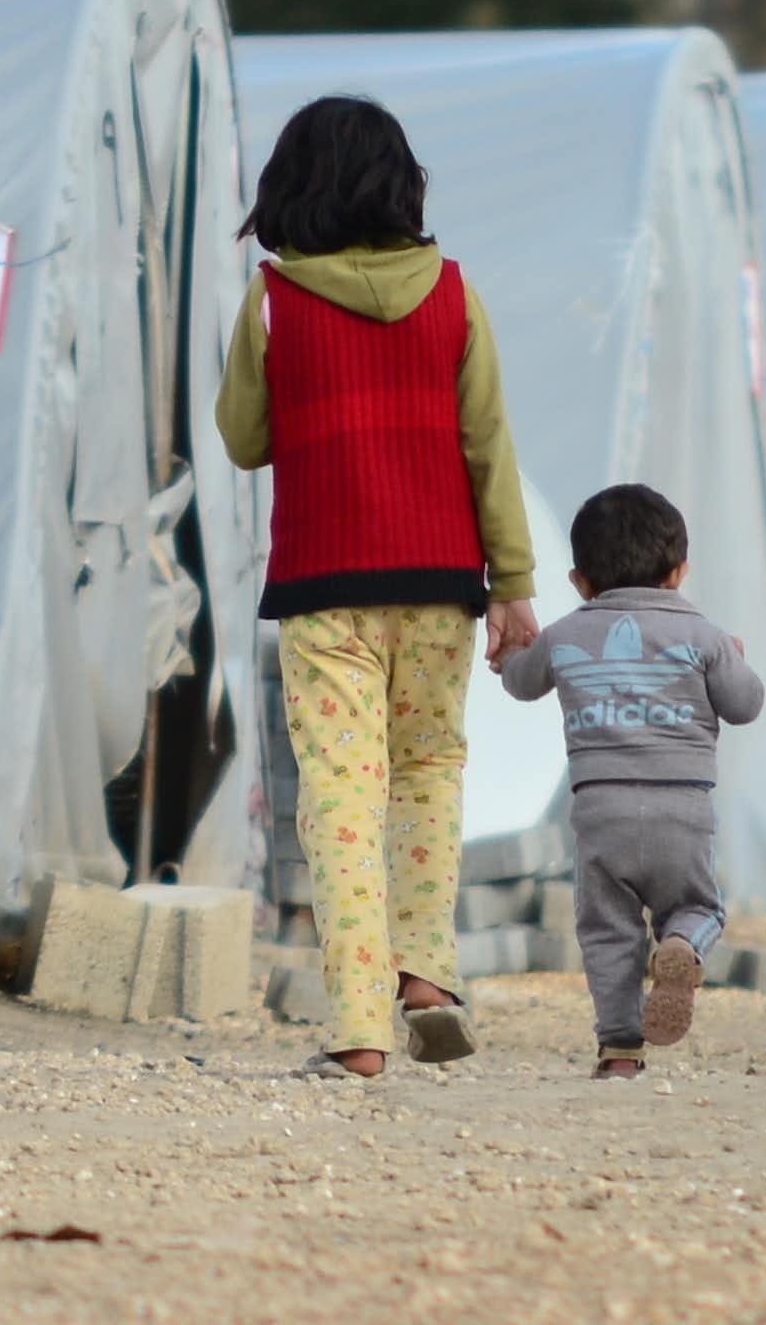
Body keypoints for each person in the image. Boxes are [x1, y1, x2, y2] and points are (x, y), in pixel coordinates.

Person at [214, 95, 539, 1079]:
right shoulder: (454, 293)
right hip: (441, 581)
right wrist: (514, 584)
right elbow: (489, 447)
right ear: (403, 187)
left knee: (342, 794)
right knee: (429, 771)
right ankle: (427, 977)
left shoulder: (274, 300)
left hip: (324, 586)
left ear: (291, 189)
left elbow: (243, 440)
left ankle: (359, 1027)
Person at [499, 484, 765, 1075]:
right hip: (682, 809)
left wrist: (511, 656)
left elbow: (520, 683)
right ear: (679, 571)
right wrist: (737, 660)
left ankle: (619, 1049)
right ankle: (682, 946)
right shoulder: (705, 636)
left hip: (601, 812)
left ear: (580, 581)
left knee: (607, 931)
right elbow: (745, 705)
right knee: (698, 907)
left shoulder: (565, 635)